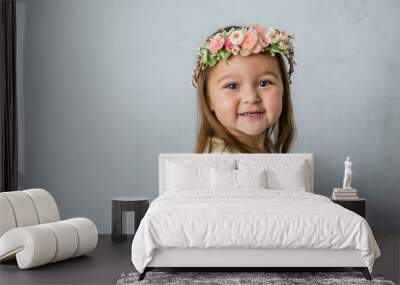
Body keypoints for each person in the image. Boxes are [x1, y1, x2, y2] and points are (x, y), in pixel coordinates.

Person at [191, 24, 297, 154]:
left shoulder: (262, 150)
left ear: (283, 90)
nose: (251, 98)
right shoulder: (223, 161)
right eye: (232, 86)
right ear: (208, 99)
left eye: (264, 83)